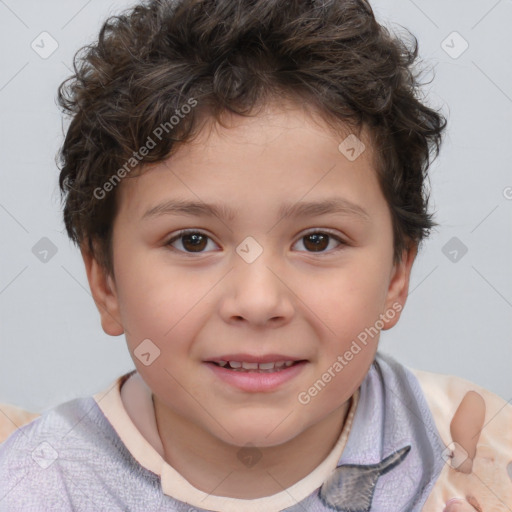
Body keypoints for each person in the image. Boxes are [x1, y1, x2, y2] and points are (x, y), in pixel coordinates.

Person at [0, 0, 510, 510]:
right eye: (192, 241)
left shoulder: (474, 452)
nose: (259, 300)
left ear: (397, 277)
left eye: (317, 240)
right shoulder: (39, 485)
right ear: (106, 281)